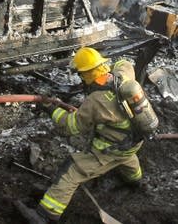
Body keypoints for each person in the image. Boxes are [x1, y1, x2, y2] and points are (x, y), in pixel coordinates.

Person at [18, 48, 148, 223]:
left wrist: (50, 109)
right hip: (134, 141)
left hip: (111, 149)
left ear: (87, 74)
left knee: (72, 170)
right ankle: (135, 180)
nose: (80, 78)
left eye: (81, 74)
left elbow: (71, 126)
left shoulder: (96, 101)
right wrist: (112, 66)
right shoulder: (123, 76)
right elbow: (124, 63)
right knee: (127, 156)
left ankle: (46, 213)